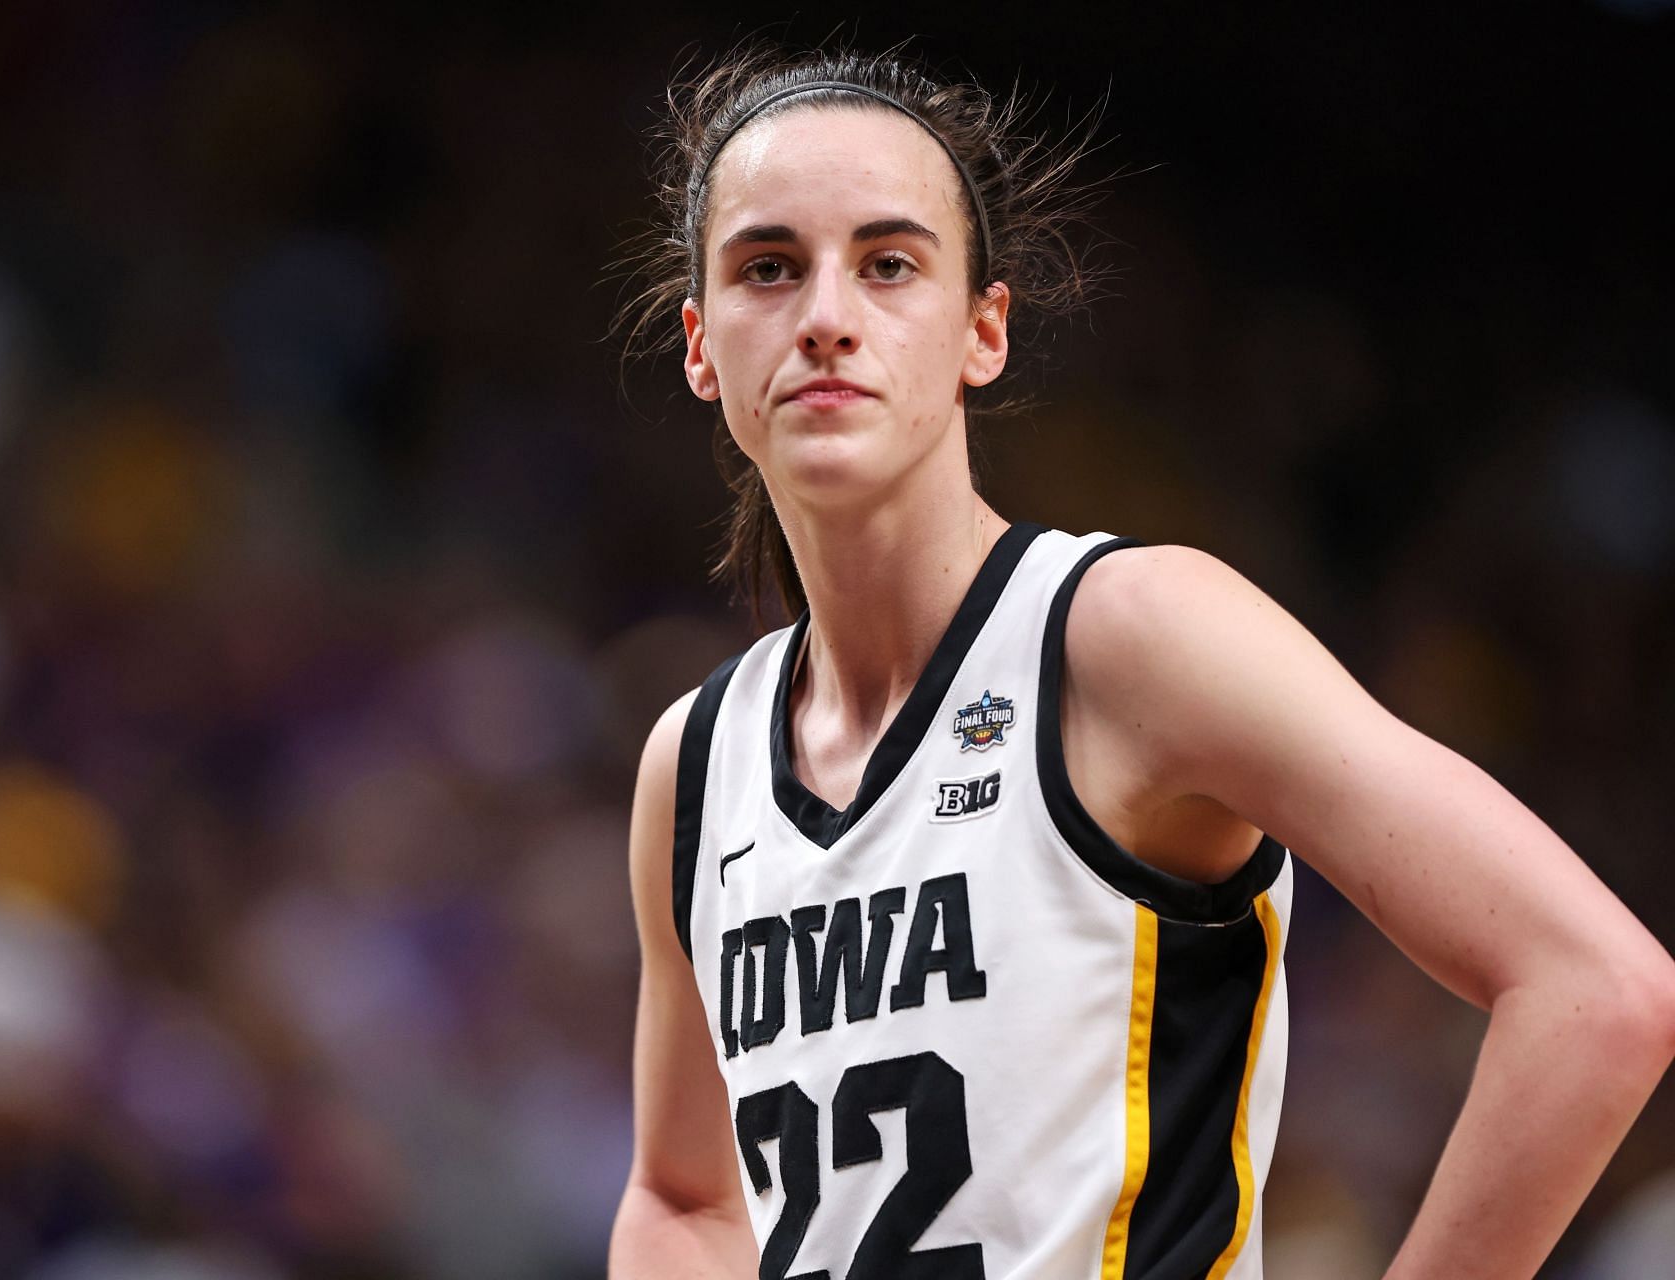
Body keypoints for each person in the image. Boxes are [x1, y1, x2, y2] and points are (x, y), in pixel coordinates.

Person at [605, 42, 1675, 1280]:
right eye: (769, 269)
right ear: (700, 343)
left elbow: (1598, 990)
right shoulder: (694, 763)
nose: (828, 317)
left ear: (982, 331)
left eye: (890, 264)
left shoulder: (1125, 634)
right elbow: (684, 1199)